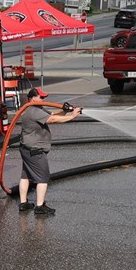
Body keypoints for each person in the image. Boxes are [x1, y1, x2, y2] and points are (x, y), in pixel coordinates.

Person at [17, 86, 81, 216]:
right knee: (43, 177)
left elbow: (51, 115)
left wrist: (65, 111)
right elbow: (52, 120)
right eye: (41, 97)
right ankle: (40, 206)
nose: (43, 99)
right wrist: (72, 116)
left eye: (44, 98)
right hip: (35, 151)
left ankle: (23, 204)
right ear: (32, 98)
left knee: (26, 175)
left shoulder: (35, 109)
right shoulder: (34, 111)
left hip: (27, 149)